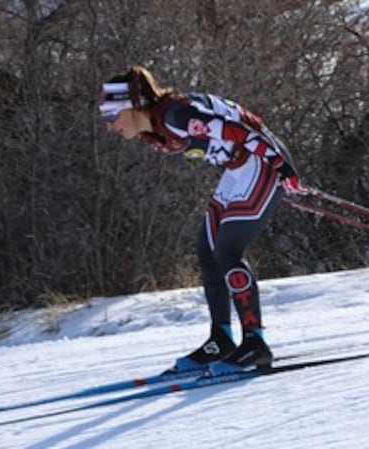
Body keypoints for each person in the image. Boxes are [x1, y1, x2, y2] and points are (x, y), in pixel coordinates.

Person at [99, 65, 306, 375]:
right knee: (207, 252)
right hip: (239, 167)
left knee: (227, 251)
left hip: (262, 160)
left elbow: (243, 132)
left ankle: (255, 344)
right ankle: (221, 339)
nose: (109, 126)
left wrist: (283, 169)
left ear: (131, 106)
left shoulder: (175, 116)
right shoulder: (154, 129)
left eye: (110, 116)